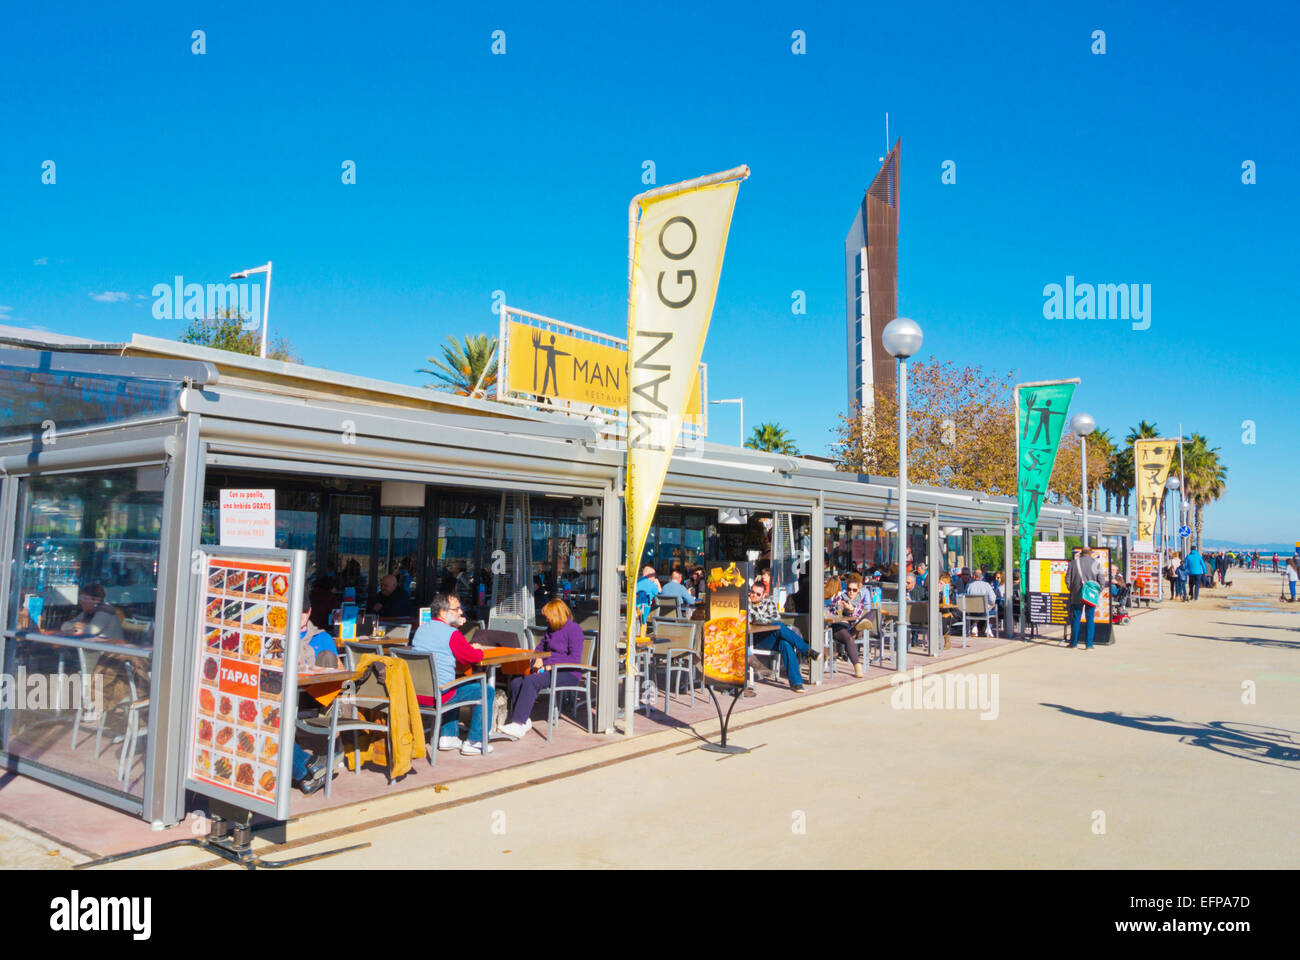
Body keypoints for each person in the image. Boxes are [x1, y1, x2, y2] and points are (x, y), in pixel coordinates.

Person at [411, 592, 491, 755]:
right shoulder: (452, 635)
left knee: (452, 682)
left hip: (417, 694)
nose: (461, 612)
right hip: (441, 694)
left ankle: (448, 736)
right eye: (457, 609)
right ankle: (475, 741)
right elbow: (473, 657)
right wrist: (477, 649)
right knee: (486, 691)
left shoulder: (420, 630)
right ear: (443, 612)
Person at [499, 599, 585, 739]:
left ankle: (518, 723)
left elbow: (574, 658)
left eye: (548, 615)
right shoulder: (550, 629)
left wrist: (549, 666)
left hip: (568, 672)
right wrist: (537, 659)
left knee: (532, 681)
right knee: (516, 681)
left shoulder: (574, 629)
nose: (546, 618)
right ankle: (524, 720)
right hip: (548, 668)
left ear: (556, 614)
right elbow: (539, 649)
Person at [59, 584, 134, 726]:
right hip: (96, 655)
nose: (81, 601)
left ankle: (95, 707)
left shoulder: (104, 612)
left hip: (112, 658)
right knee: (85, 671)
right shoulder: (88, 612)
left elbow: (91, 630)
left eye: (85, 598)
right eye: (81, 598)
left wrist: (81, 628)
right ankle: (91, 705)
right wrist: (77, 627)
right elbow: (65, 625)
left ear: (95, 600)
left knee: (87, 674)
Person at [292, 599, 341, 794]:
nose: (300, 615)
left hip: (313, 700)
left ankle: (307, 770)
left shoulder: (322, 638)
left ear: (310, 611)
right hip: (285, 695)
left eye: (304, 611)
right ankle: (310, 768)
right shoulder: (277, 638)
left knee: (271, 728)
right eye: (297, 610)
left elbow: (339, 672)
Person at [748, 581, 818, 692]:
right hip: (755, 639)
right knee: (779, 626)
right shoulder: (745, 604)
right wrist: (757, 615)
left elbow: (774, 618)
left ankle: (796, 683)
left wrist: (759, 620)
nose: (754, 595)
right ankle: (807, 650)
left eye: (758, 594)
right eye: (752, 592)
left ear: (764, 595)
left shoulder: (769, 603)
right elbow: (749, 620)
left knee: (785, 642)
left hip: (770, 637)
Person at [828, 574, 868, 678]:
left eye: (854, 590)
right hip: (839, 627)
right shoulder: (840, 598)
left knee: (871, 614)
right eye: (849, 589)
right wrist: (839, 607)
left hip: (852, 627)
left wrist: (851, 610)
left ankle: (861, 626)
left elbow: (857, 616)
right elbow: (831, 612)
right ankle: (857, 667)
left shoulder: (860, 602)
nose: (851, 592)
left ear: (858, 591)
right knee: (849, 639)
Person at [1065, 547, 1103, 649]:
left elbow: (1067, 579)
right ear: (1090, 553)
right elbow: (1101, 581)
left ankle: (1073, 644)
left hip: (1077, 594)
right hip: (1091, 595)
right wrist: (1096, 592)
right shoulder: (1095, 564)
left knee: (1076, 619)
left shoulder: (1073, 563)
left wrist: (1072, 589)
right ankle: (1089, 644)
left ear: (1081, 553)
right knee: (1090, 619)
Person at [963, 569, 998, 637]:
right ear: (982, 577)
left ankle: (975, 626)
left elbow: (964, 596)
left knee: (977, 608)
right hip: (984, 610)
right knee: (994, 607)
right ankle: (989, 627)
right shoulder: (986, 585)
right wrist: (991, 604)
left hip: (971, 610)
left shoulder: (969, 586)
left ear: (973, 577)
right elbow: (992, 599)